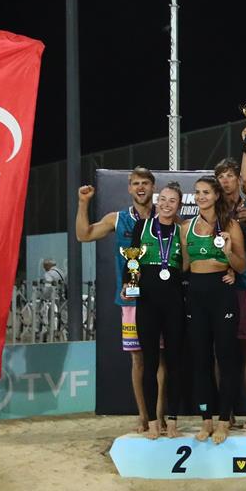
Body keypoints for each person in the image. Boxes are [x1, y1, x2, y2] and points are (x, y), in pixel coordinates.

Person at [76, 168, 158, 433]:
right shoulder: (117, 218)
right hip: (131, 302)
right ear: (129, 188)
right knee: (138, 360)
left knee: (163, 360)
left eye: (145, 182)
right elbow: (83, 235)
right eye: (136, 183)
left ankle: (160, 416)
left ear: (153, 186)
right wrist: (83, 203)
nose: (141, 187)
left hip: (160, 300)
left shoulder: (165, 216)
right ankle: (143, 416)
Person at [181, 176, 246, 443]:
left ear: (216, 195)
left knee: (226, 358)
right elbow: (184, 265)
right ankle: (206, 420)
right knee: (201, 360)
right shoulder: (186, 228)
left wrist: (230, 256)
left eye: (206, 192)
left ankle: (223, 420)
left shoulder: (230, 225)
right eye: (197, 193)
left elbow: (242, 266)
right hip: (196, 292)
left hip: (222, 291)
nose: (200, 197)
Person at [132, 184, 188, 434]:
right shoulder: (142, 227)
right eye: (163, 199)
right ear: (157, 201)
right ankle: (153, 423)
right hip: (147, 303)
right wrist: (128, 282)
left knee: (175, 363)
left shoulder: (182, 231)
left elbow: (187, 265)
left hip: (174, 304)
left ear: (178, 205)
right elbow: (131, 262)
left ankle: (173, 420)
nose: (167, 204)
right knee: (150, 361)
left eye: (172, 201)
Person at [215, 156, 246, 430]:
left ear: (238, 178)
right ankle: (227, 410)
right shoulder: (212, 207)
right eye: (220, 176)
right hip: (222, 282)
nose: (225, 180)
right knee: (223, 351)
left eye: (230, 175)